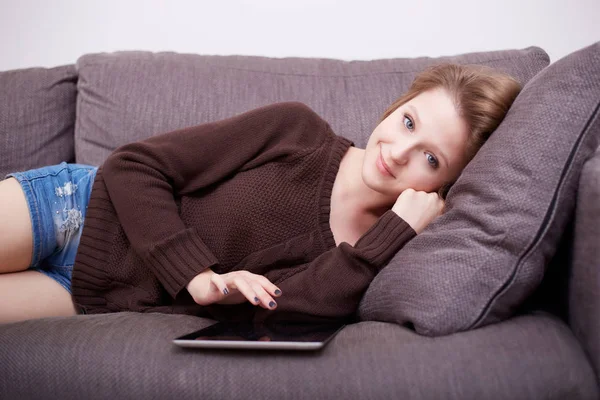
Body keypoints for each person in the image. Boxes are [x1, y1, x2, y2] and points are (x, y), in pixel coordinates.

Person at [0, 64, 521, 324]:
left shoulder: (372, 256)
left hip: (94, 294)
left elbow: (279, 312)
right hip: (76, 207)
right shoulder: (296, 131)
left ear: (441, 188)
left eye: (431, 159)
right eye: (408, 121)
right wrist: (198, 277)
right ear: (396, 105)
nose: (400, 151)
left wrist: (392, 236)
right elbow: (132, 165)